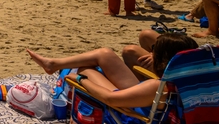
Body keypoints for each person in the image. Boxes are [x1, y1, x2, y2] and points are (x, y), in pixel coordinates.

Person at [26, 33, 197, 117]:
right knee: (105, 55)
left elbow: (110, 99)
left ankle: (55, 67)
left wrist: (80, 80)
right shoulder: (195, 80)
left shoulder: (157, 87)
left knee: (86, 70)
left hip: (133, 114)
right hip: (146, 102)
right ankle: (53, 64)